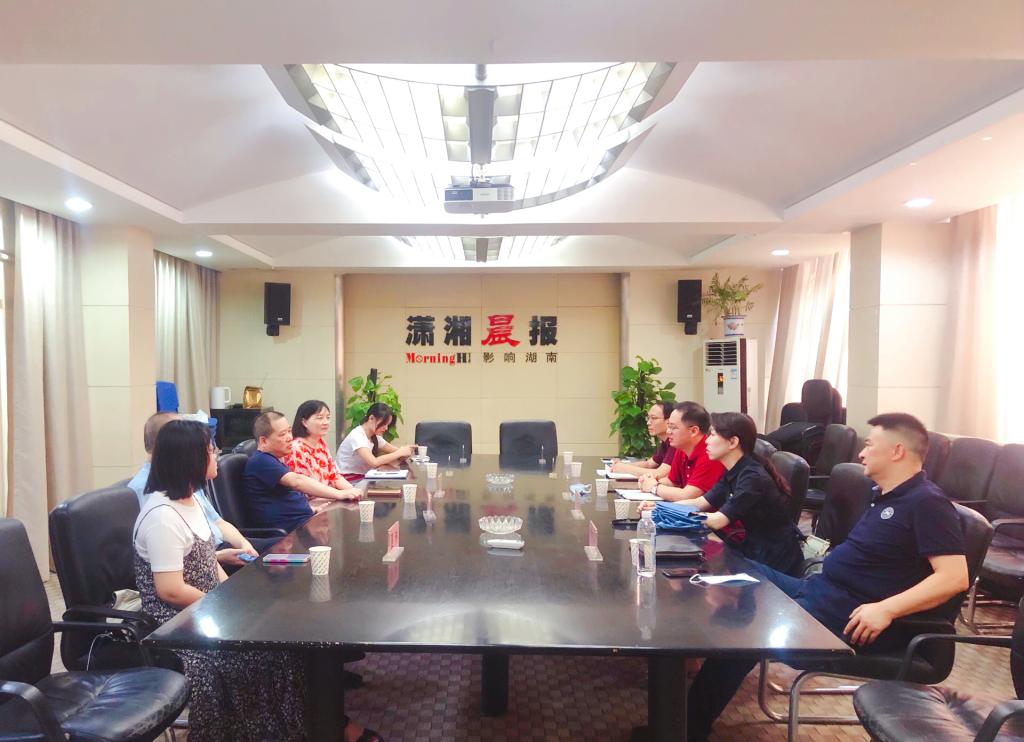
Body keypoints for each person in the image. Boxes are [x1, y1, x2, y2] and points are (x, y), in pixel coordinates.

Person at [687, 412, 969, 741]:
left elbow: (954, 577)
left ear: (897, 451)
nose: (861, 453)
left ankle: (688, 729)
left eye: (869, 445)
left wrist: (887, 609)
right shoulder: (886, 496)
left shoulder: (927, 503)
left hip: (850, 617)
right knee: (738, 570)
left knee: (746, 629)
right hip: (820, 590)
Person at [134, 419, 381, 742]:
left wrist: (230, 596)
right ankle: (297, 730)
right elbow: (170, 590)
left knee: (288, 643)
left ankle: (317, 726)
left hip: (208, 609)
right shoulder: (162, 517)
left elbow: (207, 561)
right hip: (179, 625)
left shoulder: (190, 500)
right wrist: (226, 605)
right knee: (265, 654)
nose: (215, 455)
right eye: (210, 450)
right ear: (190, 458)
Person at [128, 412, 271, 569]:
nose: (215, 455)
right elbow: (171, 561)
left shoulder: (186, 484)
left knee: (283, 549)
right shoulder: (151, 496)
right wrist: (216, 557)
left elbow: (217, 521)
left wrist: (245, 545)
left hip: (213, 552)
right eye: (209, 450)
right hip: (203, 560)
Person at [680, 412, 804, 574]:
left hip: (774, 559)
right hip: (754, 549)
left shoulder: (752, 477)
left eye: (713, 435)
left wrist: (678, 515)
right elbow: (700, 502)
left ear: (733, 442)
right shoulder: (734, 470)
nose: (707, 441)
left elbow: (717, 521)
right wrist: (660, 509)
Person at [245, 411, 359, 533]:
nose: (290, 438)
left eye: (289, 431)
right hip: (288, 534)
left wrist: (311, 510)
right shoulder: (261, 461)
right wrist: (339, 494)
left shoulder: (274, 460)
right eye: (282, 434)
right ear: (263, 441)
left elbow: (285, 500)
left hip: (303, 521)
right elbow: (297, 481)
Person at [638, 401, 724, 503]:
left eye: (673, 427)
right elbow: (672, 482)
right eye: (668, 426)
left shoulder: (710, 454)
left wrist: (654, 487)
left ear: (694, 431)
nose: (668, 432)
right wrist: (649, 481)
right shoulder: (682, 449)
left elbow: (687, 495)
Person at [286, 400, 355, 512]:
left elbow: (334, 476)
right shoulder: (296, 448)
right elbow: (305, 489)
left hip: (328, 501)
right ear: (304, 422)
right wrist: (340, 494)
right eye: (320, 418)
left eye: (328, 417)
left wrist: (353, 491)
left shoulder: (321, 443)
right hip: (309, 508)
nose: (325, 422)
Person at [335, 402, 414, 481]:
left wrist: (406, 451)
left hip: (361, 477)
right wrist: (400, 452)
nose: (386, 428)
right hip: (347, 479)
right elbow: (374, 462)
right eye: (384, 424)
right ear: (371, 418)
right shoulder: (357, 436)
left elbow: (396, 451)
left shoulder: (374, 436)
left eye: (388, 425)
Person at [609, 401, 676, 478]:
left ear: (669, 422)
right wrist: (622, 465)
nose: (648, 423)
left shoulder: (675, 443)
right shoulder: (665, 442)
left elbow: (660, 474)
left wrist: (625, 468)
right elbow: (649, 464)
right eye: (648, 418)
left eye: (654, 418)